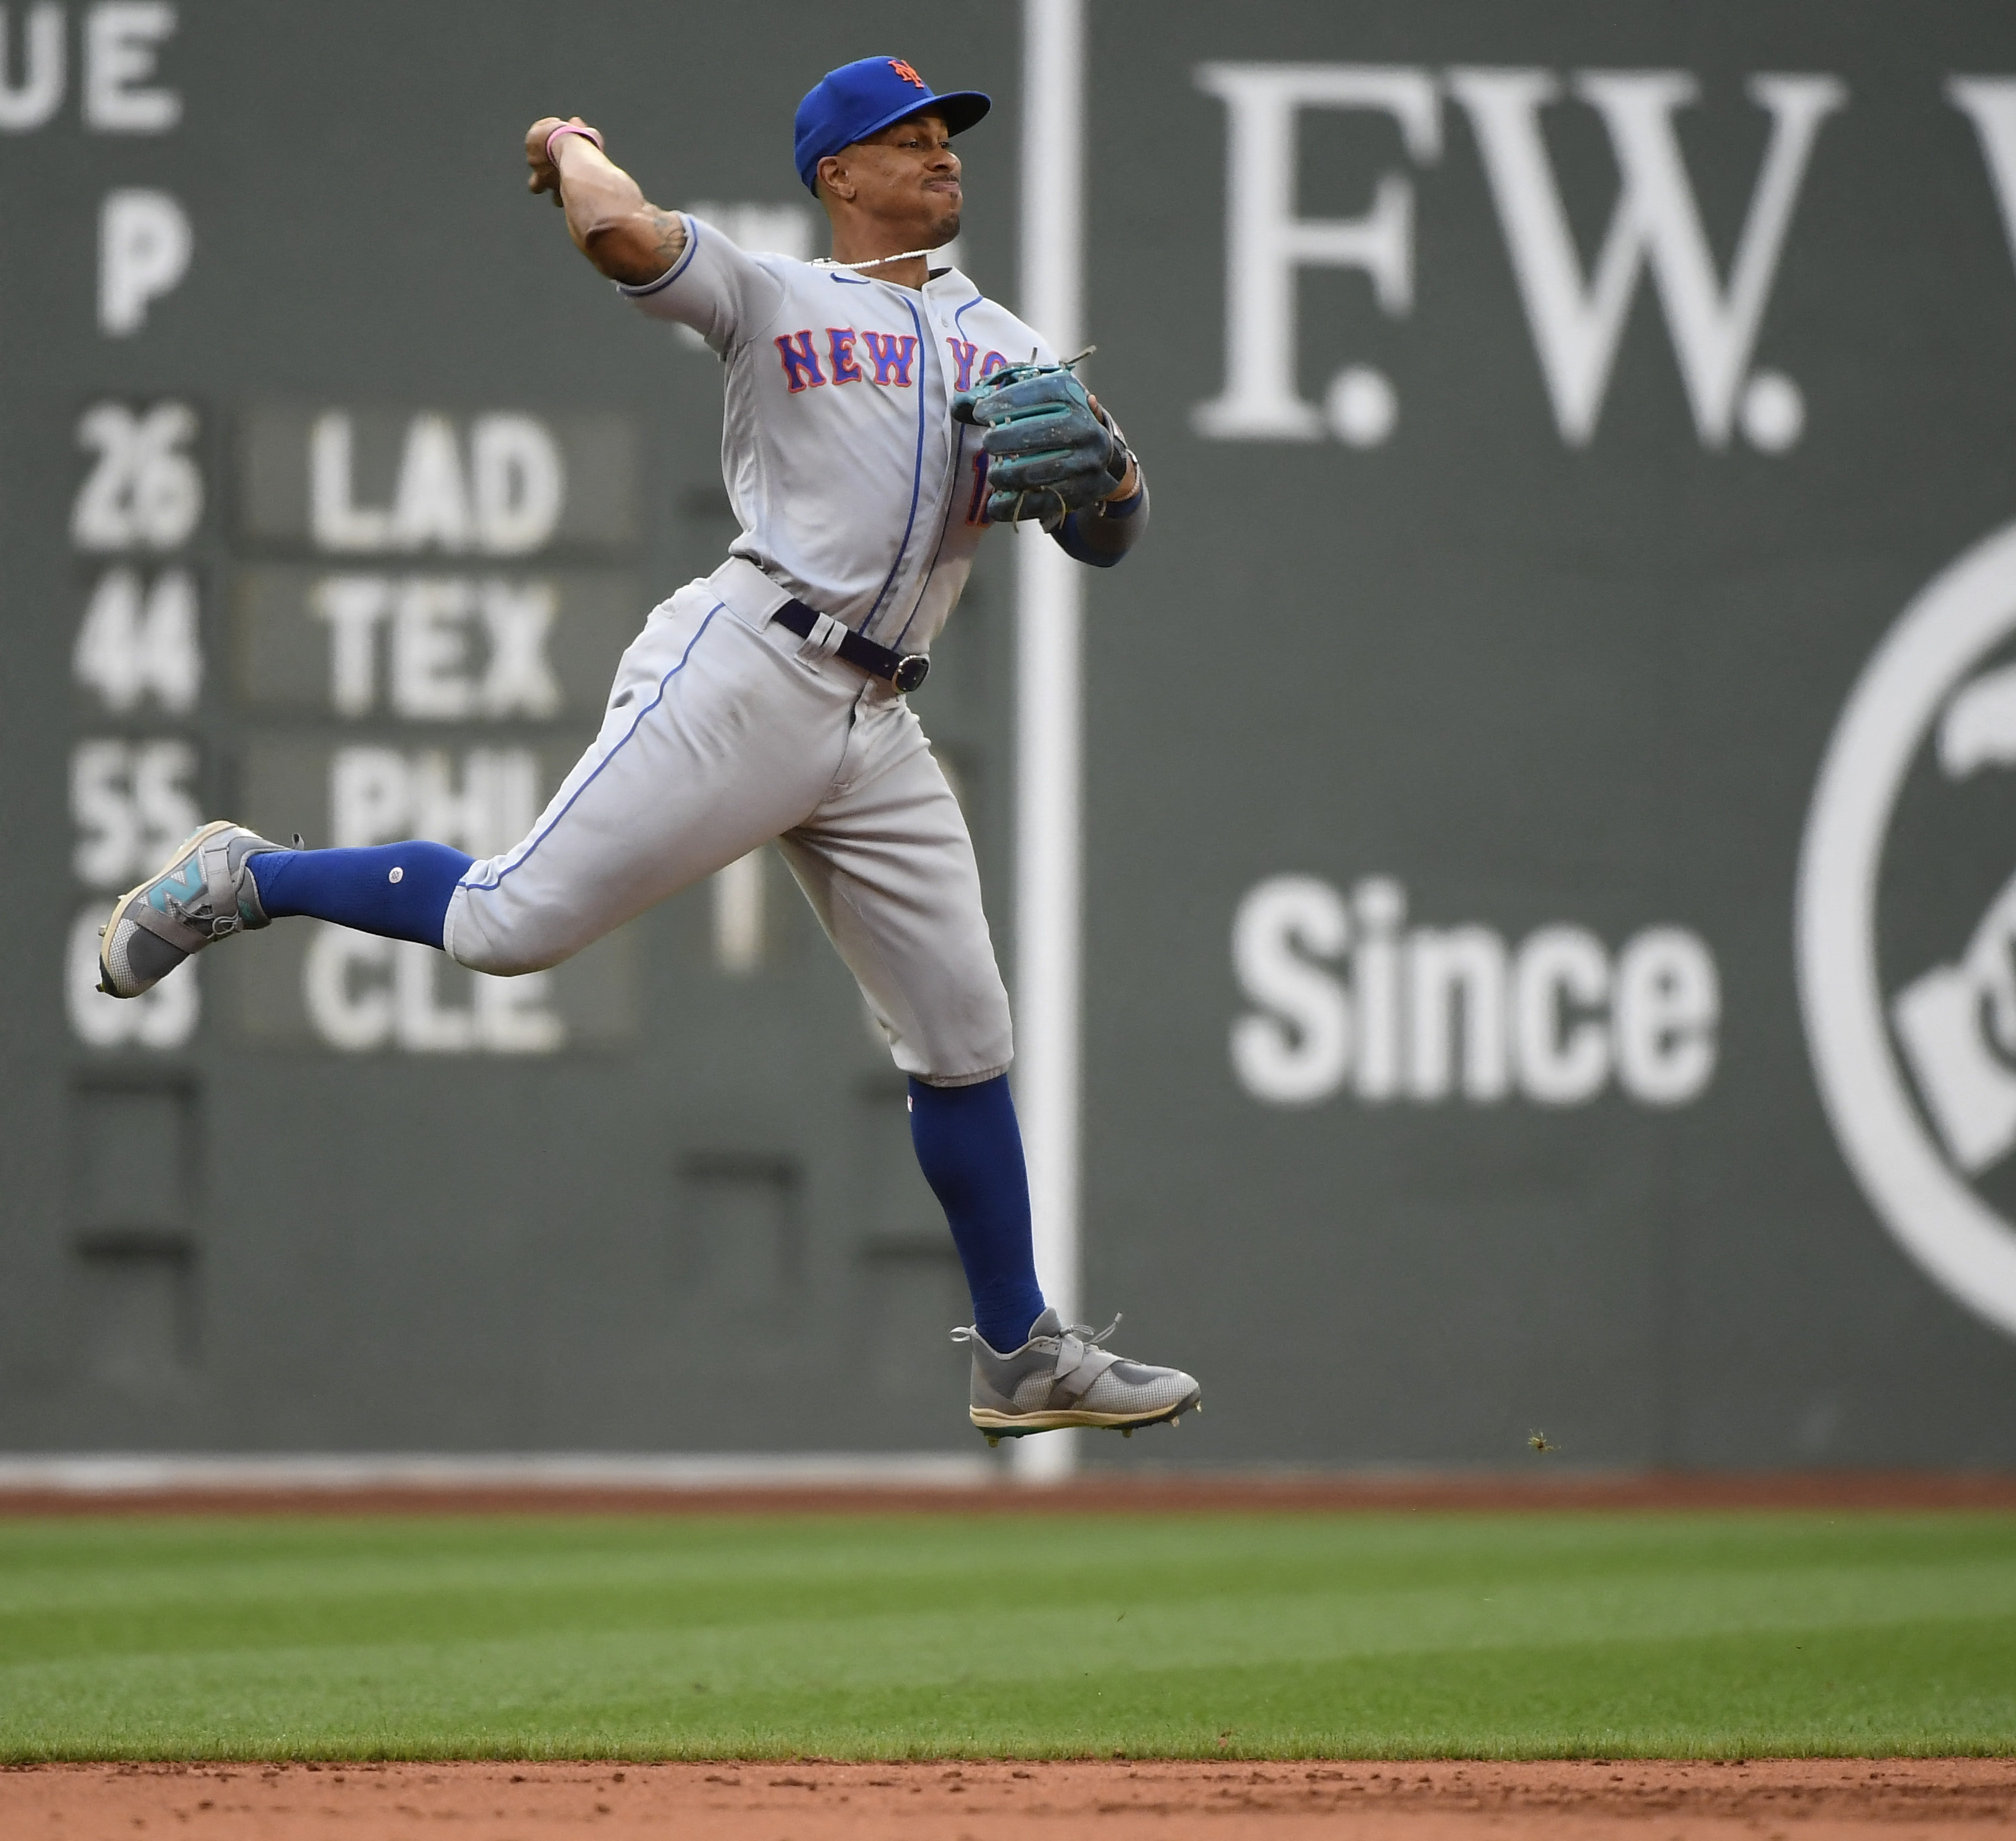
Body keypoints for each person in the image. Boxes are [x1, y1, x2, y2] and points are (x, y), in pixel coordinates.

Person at [95, 56, 1201, 1443]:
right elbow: (625, 236)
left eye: (948, 138)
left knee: (966, 1036)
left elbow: (1106, 534)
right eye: (903, 138)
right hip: (751, 664)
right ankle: (245, 876)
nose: (940, 154)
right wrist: (567, 145)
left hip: (877, 719)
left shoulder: (1016, 346)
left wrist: (1119, 484)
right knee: (509, 926)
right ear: (834, 173)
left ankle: (1019, 1353)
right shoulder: (775, 294)